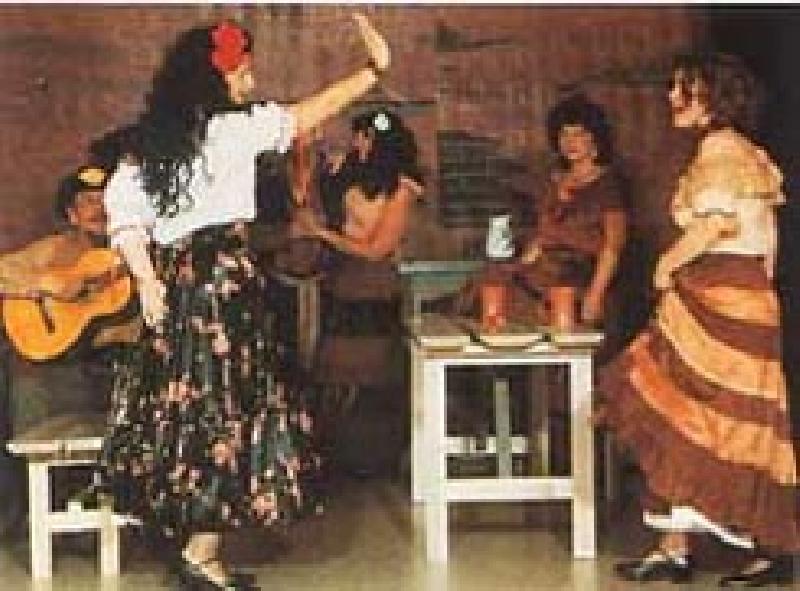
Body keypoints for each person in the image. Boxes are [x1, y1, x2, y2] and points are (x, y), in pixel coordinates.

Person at [96, 14, 390, 590]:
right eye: (243, 73)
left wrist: (149, 281)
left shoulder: (153, 143)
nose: (251, 82)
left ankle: (199, 550)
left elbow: (125, 216)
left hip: (179, 283)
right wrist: (373, 70)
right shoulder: (235, 131)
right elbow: (311, 111)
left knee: (192, 406)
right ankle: (200, 555)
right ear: (217, 78)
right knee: (228, 407)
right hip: (222, 284)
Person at [599, 52, 798, 587]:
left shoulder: (722, 151)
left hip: (723, 295)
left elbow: (712, 227)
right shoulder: (741, 152)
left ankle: (763, 547)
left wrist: (667, 265)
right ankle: (677, 545)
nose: (672, 98)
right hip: (731, 294)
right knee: (689, 416)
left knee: (715, 418)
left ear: (712, 98)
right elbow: (768, 242)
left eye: (683, 89)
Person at [294, 108, 424, 263]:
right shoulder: (356, 175)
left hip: (372, 270)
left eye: (363, 138)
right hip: (338, 263)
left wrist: (320, 232)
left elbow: (376, 251)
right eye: (356, 137)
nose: (356, 144)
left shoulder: (402, 190)